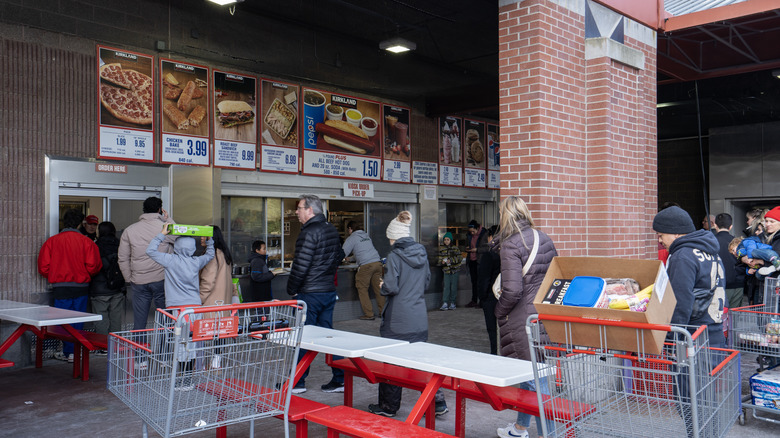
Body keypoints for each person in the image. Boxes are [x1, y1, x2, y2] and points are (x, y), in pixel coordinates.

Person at [367, 211, 448, 417]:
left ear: (395, 236)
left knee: (392, 363)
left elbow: (392, 287)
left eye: (390, 238)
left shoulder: (395, 256)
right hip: (419, 317)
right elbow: (426, 282)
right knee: (421, 360)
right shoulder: (421, 253)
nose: (390, 241)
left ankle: (388, 407)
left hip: (398, 319)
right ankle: (438, 402)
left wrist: (384, 285)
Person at [494, 197, 557, 438]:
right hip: (542, 315)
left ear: (505, 215)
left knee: (535, 380)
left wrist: (498, 311)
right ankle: (520, 428)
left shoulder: (511, 244)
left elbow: (512, 290)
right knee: (532, 372)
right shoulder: (544, 238)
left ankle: (549, 433)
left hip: (521, 318)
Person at [287, 194, 346, 394]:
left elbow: (300, 266)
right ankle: (340, 379)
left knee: (303, 337)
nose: (297, 212)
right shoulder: (331, 229)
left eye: (300, 208)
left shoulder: (308, 233)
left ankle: (296, 382)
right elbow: (339, 256)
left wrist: (291, 289)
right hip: (328, 292)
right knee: (328, 336)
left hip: (309, 294)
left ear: (310, 210)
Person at [146, 224, 214, 390]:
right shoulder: (196, 261)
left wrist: (162, 233)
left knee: (181, 346)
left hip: (179, 311)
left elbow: (150, 250)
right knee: (190, 345)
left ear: (176, 247)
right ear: (192, 248)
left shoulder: (170, 260)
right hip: (195, 309)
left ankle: (185, 381)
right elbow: (210, 253)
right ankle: (187, 378)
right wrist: (208, 238)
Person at [652, 206, 726, 346]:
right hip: (714, 330)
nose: (659, 240)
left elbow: (680, 301)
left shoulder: (682, 256)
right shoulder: (710, 251)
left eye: (661, 235)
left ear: (676, 233)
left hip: (693, 337)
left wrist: (672, 339)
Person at [37, 209, 102, 362]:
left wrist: (57, 274)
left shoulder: (52, 241)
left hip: (60, 287)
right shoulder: (87, 242)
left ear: (64, 223)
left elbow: (43, 267)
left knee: (63, 321)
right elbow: (94, 266)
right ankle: (75, 352)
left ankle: (68, 351)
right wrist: (82, 273)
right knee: (78, 320)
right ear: (80, 224)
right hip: (81, 286)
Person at [118, 197, 175, 331]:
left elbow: (122, 258)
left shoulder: (129, 230)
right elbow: (178, 237)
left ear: (144, 210)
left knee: (139, 321)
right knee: (165, 320)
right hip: (161, 279)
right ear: (160, 209)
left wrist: (129, 278)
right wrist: (168, 220)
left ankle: (139, 350)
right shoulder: (165, 228)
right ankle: (162, 351)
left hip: (139, 281)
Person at [89, 221, 126, 341]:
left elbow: (92, 266)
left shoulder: (95, 246)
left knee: (101, 317)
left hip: (99, 288)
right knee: (115, 317)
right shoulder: (121, 245)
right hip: (117, 286)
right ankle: (115, 343)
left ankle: (103, 345)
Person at [342, 221, 385, 320]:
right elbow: (363, 251)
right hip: (377, 263)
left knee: (362, 289)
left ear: (350, 229)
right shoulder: (366, 236)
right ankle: (383, 312)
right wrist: (351, 258)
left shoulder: (352, 237)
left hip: (366, 266)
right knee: (378, 290)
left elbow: (342, 252)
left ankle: (369, 314)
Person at [199, 226, 239, 307]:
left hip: (211, 305)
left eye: (204, 235)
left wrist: (198, 300)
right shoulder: (223, 253)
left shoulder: (212, 256)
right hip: (222, 303)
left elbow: (208, 282)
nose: (201, 238)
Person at [712, 213, 744, 309]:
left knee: (720, 316)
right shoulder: (738, 242)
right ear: (730, 227)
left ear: (715, 225)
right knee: (733, 316)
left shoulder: (711, 242)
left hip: (718, 285)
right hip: (737, 284)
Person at [477, 225, 499, 354]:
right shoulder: (508, 253)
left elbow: (483, 279)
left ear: (491, 237)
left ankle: (495, 354)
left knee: (492, 329)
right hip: (506, 297)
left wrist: (483, 297)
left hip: (491, 297)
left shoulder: (489, 255)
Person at [466, 219, 488, 308]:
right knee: (474, 282)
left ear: (477, 228)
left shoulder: (485, 234)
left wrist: (477, 250)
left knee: (481, 282)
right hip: (472, 260)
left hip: (480, 261)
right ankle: (474, 300)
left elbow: (488, 248)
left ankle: (482, 301)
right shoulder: (469, 235)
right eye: (470, 232)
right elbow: (468, 244)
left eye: (473, 231)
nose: (472, 233)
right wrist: (468, 248)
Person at [437, 231, 462, 310]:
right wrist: (442, 262)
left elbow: (459, 258)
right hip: (446, 271)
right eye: (445, 240)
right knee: (446, 287)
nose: (446, 241)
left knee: (453, 287)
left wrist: (451, 260)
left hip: (455, 270)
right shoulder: (442, 249)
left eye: (448, 239)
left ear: (451, 240)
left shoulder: (455, 248)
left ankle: (452, 302)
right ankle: (445, 302)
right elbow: (439, 259)